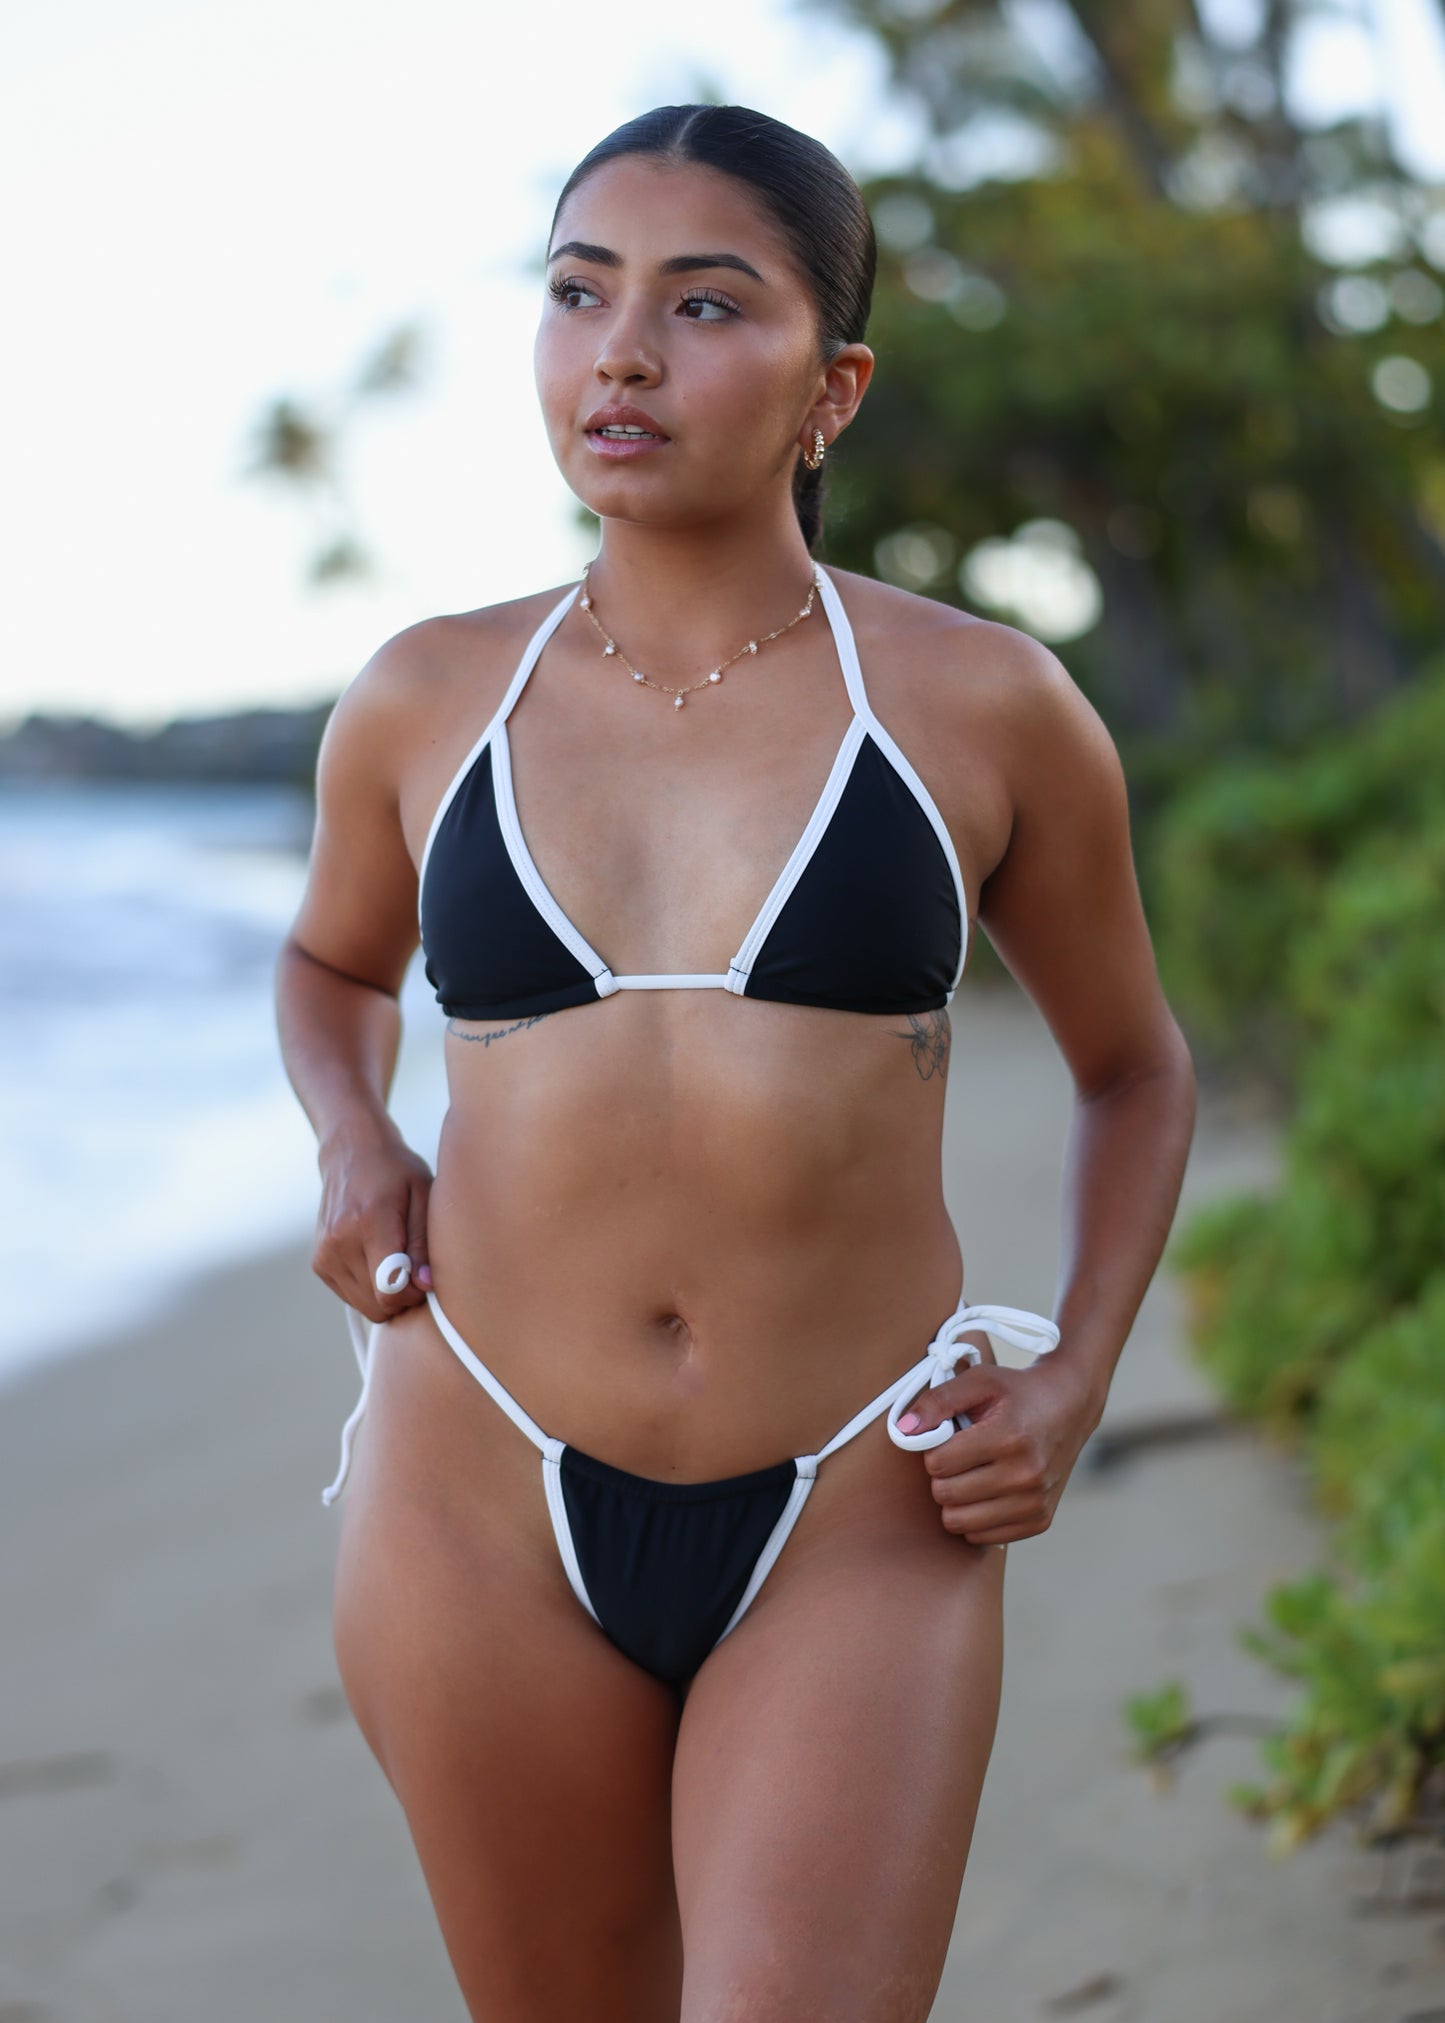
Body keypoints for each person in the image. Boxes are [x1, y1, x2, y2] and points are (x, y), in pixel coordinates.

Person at [275, 101, 1196, 2023]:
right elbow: (326, 962)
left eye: (703, 305)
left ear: (829, 386)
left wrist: (1080, 1374)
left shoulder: (980, 703)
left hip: (863, 1500)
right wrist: (354, 1142)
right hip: (479, 1494)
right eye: (578, 294)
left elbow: (1134, 1069)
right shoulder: (432, 694)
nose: (621, 351)